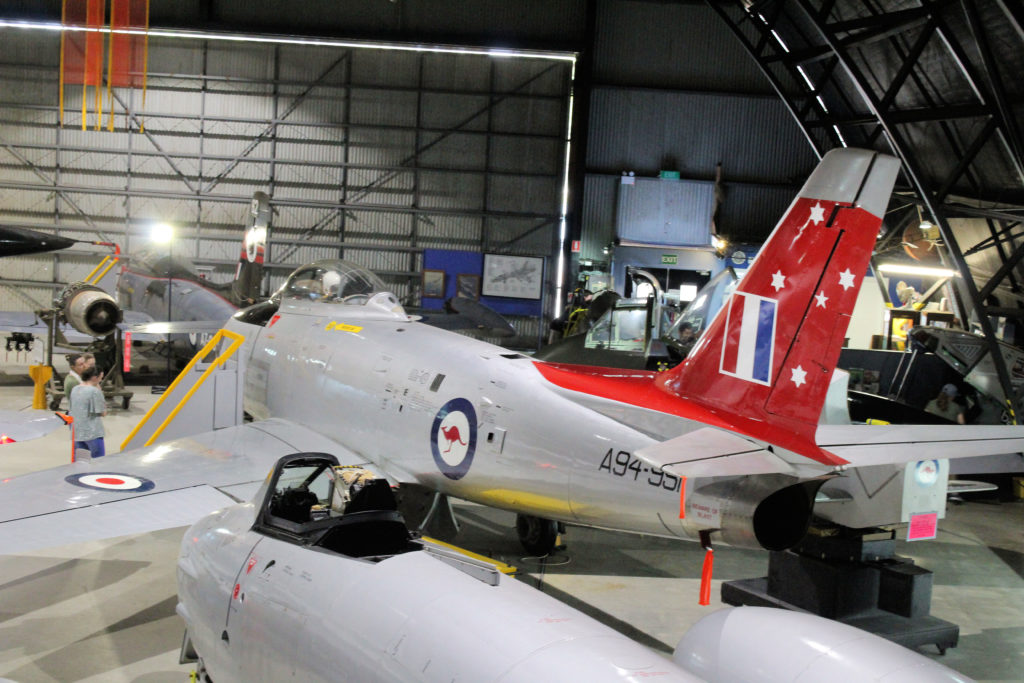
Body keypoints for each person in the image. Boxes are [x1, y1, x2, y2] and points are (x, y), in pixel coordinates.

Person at [69, 365, 107, 458]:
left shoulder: (75, 389)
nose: (101, 380)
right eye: (101, 377)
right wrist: (100, 391)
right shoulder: (94, 391)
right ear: (95, 377)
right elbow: (102, 412)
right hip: (92, 433)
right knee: (98, 461)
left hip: (77, 432)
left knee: (82, 462)